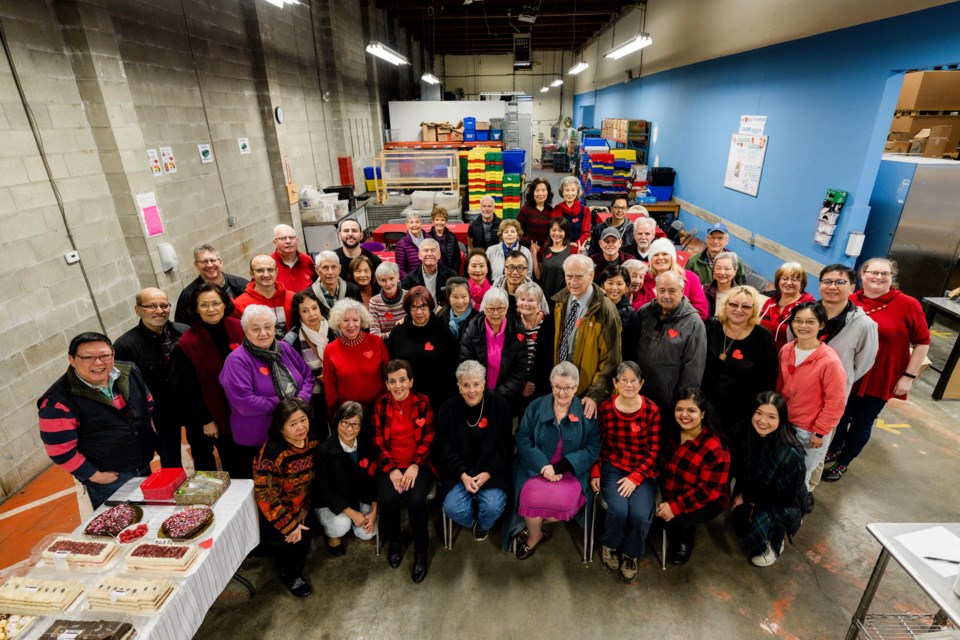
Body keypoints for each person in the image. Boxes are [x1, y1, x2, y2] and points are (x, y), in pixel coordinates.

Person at [825, 258, 927, 482]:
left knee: (862, 421)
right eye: (873, 272)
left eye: (885, 273)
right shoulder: (849, 299)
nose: (879, 277)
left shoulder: (908, 305)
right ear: (862, 275)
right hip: (848, 373)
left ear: (893, 277)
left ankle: (844, 461)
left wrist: (908, 376)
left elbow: (922, 343)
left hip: (880, 376)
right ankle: (834, 448)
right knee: (839, 416)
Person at [38, 332, 156, 509]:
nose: (98, 363)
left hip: (143, 464)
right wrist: (93, 475)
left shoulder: (129, 371)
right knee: (121, 529)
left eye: (104, 356)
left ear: (113, 354)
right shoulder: (57, 402)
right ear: (72, 359)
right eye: (88, 358)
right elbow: (60, 450)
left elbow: (148, 404)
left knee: (152, 515)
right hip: (111, 479)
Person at [799, 264, 878, 486]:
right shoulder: (806, 314)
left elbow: (863, 365)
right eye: (827, 282)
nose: (832, 287)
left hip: (827, 402)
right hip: (798, 395)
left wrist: (839, 382)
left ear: (852, 287)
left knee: (816, 451)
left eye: (840, 282)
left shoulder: (863, 325)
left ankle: (806, 492)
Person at [513, 362, 600, 559]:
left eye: (568, 388)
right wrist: (544, 466)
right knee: (530, 499)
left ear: (576, 388)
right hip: (535, 468)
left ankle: (532, 525)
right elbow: (523, 438)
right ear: (551, 385)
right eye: (557, 387)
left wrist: (564, 465)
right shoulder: (535, 406)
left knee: (564, 505)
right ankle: (534, 536)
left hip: (570, 471)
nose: (562, 393)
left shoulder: (587, 412)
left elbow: (593, 448)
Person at [220, 305, 314, 478]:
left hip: (293, 435)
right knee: (265, 490)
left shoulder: (284, 348)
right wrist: (287, 407)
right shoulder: (237, 360)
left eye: (268, 327)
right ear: (245, 331)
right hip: (259, 438)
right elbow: (244, 402)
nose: (263, 333)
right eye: (256, 329)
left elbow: (308, 377)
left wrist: (301, 399)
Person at [589, 361, 660, 584]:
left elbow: (654, 450)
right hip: (613, 466)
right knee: (618, 510)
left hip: (643, 470)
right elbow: (597, 443)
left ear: (641, 384)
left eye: (633, 381)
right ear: (615, 383)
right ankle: (609, 545)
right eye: (624, 381)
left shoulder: (652, 410)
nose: (629, 385)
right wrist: (596, 470)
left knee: (639, 514)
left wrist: (636, 477)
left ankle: (631, 554)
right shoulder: (606, 409)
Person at [434, 360, 513, 541]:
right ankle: (472, 519)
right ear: (459, 387)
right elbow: (443, 449)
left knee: (493, 507)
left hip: (491, 471)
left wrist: (488, 473)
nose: (472, 390)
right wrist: (462, 474)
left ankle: (484, 524)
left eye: (476, 384)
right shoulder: (447, 410)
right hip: (459, 473)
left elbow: (506, 446)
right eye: (466, 385)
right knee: (454, 508)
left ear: (484, 384)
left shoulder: (500, 406)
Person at [372, 359, 435, 582]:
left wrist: (415, 465)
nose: (398, 386)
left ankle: (420, 551)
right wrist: (391, 470)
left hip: (418, 465)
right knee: (388, 500)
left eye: (402, 380)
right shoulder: (380, 405)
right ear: (386, 384)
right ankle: (395, 542)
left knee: (415, 500)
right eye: (392, 381)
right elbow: (377, 441)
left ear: (410, 381)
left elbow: (428, 438)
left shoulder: (423, 402)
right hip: (390, 466)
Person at [172, 283, 244, 476]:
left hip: (247, 408)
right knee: (234, 464)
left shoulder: (239, 327)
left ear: (224, 304)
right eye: (204, 305)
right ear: (196, 309)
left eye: (215, 303)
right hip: (219, 413)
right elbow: (189, 389)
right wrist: (206, 420)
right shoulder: (187, 344)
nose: (211, 309)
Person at [729, 391, 806, 567]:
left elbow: (785, 497)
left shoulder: (790, 452)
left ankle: (776, 540)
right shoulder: (742, 432)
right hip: (752, 489)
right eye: (759, 413)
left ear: (781, 420)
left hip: (781, 503)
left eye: (771, 416)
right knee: (738, 520)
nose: (763, 421)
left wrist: (747, 499)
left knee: (756, 548)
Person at [776, 302, 847, 491]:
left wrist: (820, 432)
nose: (803, 326)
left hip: (809, 431)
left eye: (810, 321)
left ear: (822, 325)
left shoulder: (829, 361)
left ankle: (793, 516)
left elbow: (836, 401)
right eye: (798, 321)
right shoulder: (787, 350)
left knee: (800, 478)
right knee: (779, 472)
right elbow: (780, 385)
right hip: (784, 424)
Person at [114, 288, 188, 468]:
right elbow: (124, 387)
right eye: (151, 306)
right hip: (159, 413)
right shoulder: (125, 346)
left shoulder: (184, 331)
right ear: (138, 310)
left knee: (202, 448)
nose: (159, 310)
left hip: (188, 405)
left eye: (164, 305)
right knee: (170, 458)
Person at [253, 398, 319, 598]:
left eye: (303, 420)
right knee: (302, 538)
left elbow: (312, 483)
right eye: (293, 423)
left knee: (316, 529)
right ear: (280, 428)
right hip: (273, 516)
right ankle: (291, 574)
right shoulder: (272, 453)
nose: (301, 427)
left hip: (301, 508)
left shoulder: (313, 442)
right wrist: (290, 525)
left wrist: (306, 509)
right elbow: (265, 496)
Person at [656, 388, 730, 565]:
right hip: (670, 487)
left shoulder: (715, 447)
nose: (684, 415)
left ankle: (685, 537)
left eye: (691, 410)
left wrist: (675, 507)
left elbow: (708, 492)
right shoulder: (673, 432)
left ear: (703, 413)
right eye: (679, 409)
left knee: (677, 522)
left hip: (703, 500)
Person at [624, 271, 707, 416]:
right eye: (662, 290)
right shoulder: (645, 311)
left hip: (668, 402)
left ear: (682, 291)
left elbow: (693, 370)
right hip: (638, 393)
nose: (666, 296)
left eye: (672, 291)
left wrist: (682, 403)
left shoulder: (694, 323)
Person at [551, 254, 622, 419]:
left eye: (579, 276)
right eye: (569, 276)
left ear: (591, 276)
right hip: (562, 387)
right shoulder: (562, 300)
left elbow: (612, 360)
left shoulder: (606, 310)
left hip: (586, 395)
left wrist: (594, 394)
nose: (573, 282)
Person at [701, 285, 778, 433]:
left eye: (746, 306)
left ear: (754, 309)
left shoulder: (762, 337)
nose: (738, 310)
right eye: (733, 304)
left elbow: (768, 380)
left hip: (740, 414)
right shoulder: (711, 326)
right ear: (726, 305)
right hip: (705, 405)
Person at [314, 401, 378, 557]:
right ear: (337, 422)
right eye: (345, 423)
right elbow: (324, 490)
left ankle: (356, 522)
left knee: (368, 532)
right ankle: (332, 536)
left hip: (357, 497)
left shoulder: (366, 447)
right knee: (341, 525)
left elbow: (374, 481)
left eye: (356, 424)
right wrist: (351, 513)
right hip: (332, 502)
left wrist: (374, 512)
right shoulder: (324, 450)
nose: (350, 429)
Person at [387, 287, 458, 411]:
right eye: (414, 307)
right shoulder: (398, 332)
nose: (419, 312)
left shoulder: (443, 332)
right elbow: (390, 364)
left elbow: (452, 367)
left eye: (423, 307)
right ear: (408, 309)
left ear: (430, 307)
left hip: (437, 398)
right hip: (406, 397)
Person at [322, 299, 389, 419]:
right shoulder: (330, 350)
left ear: (361, 320)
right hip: (348, 414)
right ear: (338, 322)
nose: (351, 325)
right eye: (345, 320)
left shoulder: (376, 342)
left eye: (355, 320)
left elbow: (387, 376)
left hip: (378, 410)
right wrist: (334, 416)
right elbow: (330, 389)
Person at [459, 288, 527, 404]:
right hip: (477, 394)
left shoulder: (517, 331)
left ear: (506, 309)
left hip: (506, 398)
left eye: (500, 308)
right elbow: (466, 363)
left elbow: (519, 369)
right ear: (484, 309)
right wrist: (481, 391)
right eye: (491, 309)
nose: (495, 313)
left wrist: (499, 394)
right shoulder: (472, 330)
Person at [283, 289, 332, 437]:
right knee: (319, 432)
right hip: (312, 395)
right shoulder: (291, 339)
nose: (311, 314)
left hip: (336, 389)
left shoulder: (334, 329)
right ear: (298, 315)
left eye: (314, 308)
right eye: (305, 311)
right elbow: (292, 372)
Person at [175, 243, 248, 325]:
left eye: (213, 260)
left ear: (220, 262)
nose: (209, 265)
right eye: (204, 261)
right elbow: (182, 328)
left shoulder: (241, 285)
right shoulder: (188, 295)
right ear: (196, 265)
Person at [641, 238, 709, 320]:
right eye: (655, 255)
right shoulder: (644, 279)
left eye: (665, 254)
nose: (660, 258)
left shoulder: (690, 278)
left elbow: (701, 312)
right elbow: (637, 309)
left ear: (672, 257)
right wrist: (654, 292)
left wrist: (675, 322)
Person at [515, 281, 555, 417]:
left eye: (531, 300)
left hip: (543, 384)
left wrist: (532, 382)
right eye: (522, 299)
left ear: (539, 303)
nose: (526, 303)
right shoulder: (512, 323)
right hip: (517, 384)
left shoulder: (550, 323)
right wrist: (522, 383)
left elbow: (548, 358)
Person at [232, 254, 294, 339]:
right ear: (251, 274)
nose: (266, 274)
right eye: (260, 270)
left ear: (276, 272)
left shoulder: (292, 298)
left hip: (291, 350)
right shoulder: (239, 305)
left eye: (270, 270)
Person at [759, 262, 815, 352]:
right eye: (785, 278)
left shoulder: (808, 307)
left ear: (802, 283)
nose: (789, 283)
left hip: (786, 359)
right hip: (761, 354)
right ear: (778, 281)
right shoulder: (770, 302)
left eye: (795, 279)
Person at [685, 223, 746, 287]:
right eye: (712, 237)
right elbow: (687, 286)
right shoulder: (693, 261)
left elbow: (742, 288)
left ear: (727, 240)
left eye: (720, 238)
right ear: (706, 239)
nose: (715, 241)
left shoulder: (736, 261)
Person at [401, 238, 457, 306]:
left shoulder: (451, 276)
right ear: (419, 255)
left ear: (439, 255)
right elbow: (406, 304)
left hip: (444, 315)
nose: (429, 254)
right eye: (426, 250)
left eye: (433, 250)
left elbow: (456, 300)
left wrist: (444, 309)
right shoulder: (408, 280)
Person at [534, 216, 577, 301]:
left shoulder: (573, 250)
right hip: (545, 297)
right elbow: (538, 276)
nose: (556, 233)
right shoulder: (543, 249)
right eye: (553, 230)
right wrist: (534, 255)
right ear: (549, 232)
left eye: (560, 230)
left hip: (564, 298)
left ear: (565, 232)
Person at [310, 251, 362, 316]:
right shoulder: (309, 295)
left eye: (334, 267)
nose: (330, 272)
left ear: (339, 269)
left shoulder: (352, 290)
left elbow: (361, 318)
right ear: (317, 270)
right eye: (325, 268)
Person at [271, 224, 316, 292]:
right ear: (275, 242)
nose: (288, 241)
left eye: (291, 237)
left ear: (297, 240)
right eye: (283, 238)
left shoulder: (307, 260)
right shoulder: (268, 263)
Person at [368, 262, 406, 338]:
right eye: (383, 280)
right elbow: (374, 335)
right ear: (378, 281)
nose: (388, 284)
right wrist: (397, 332)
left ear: (398, 277)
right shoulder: (374, 302)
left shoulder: (408, 296)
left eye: (391, 278)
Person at [553, 176, 592, 250]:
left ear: (577, 192)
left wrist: (576, 244)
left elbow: (586, 233)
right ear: (562, 192)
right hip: (559, 246)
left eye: (573, 190)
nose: (570, 193)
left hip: (578, 247)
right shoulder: (557, 209)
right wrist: (564, 244)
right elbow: (554, 231)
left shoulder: (585, 210)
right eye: (567, 190)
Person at [437, 277, 481, 342]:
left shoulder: (477, 319)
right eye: (455, 297)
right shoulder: (441, 316)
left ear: (469, 296)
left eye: (464, 297)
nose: (460, 302)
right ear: (448, 297)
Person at [517, 177, 554, 250]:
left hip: (546, 251)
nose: (540, 194)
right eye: (537, 190)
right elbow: (517, 232)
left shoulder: (551, 210)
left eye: (543, 190)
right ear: (532, 193)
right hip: (527, 250)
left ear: (548, 192)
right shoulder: (525, 210)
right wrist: (530, 245)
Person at [426, 206, 462, 275]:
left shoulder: (452, 237)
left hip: (449, 273)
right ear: (433, 222)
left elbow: (457, 259)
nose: (439, 222)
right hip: (432, 273)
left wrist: (452, 274)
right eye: (437, 220)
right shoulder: (428, 237)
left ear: (446, 222)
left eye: (442, 220)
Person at [703, 251, 740, 317]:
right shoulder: (704, 290)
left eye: (727, 269)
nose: (722, 272)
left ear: (735, 271)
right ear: (713, 270)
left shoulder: (741, 295)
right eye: (718, 268)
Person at [394, 210, 426, 278]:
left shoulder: (429, 238)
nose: (414, 225)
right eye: (411, 222)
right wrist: (410, 283)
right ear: (407, 224)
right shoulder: (401, 245)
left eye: (417, 222)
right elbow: (400, 269)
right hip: (412, 282)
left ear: (421, 223)